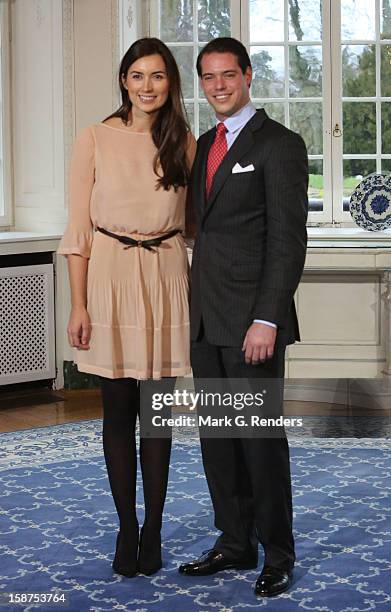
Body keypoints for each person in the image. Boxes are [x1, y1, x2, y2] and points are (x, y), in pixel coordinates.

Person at [57, 38, 196, 578]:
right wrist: (79, 304)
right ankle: (126, 526)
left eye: (157, 76)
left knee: (157, 417)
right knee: (117, 415)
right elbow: (76, 232)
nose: (147, 86)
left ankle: (155, 527)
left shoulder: (183, 142)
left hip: (164, 277)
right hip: (110, 275)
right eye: (137, 75)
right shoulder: (94, 138)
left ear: (170, 82)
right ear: (123, 80)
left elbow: (194, 226)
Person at [178, 38, 308, 597]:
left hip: (254, 324)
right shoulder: (204, 144)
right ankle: (234, 542)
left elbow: (287, 241)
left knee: (259, 441)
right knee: (218, 439)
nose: (218, 86)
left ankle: (277, 553)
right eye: (208, 78)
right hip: (206, 320)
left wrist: (268, 320)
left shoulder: (280, 144)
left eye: (228, 75)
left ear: (248, 76)